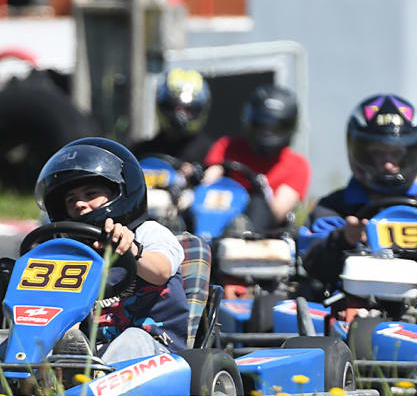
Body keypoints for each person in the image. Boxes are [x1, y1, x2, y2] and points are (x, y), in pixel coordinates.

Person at [34, 137, 190, 364]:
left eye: (90, 194)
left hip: (156, 350)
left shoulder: (148, 233)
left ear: (119, 193)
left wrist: (130, 250)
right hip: (91, 350)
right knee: (39, 337)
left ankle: (91, 379)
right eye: (71, 199)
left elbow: (161, 271)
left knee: (133, 338)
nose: (79, 204)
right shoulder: (69, 251)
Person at [303, 93, 417, 290]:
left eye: (396, 153)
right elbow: (311, 262)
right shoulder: (333, 207)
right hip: (351, 307)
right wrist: (345, 238)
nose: (388, 164)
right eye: (377, 153)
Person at [203, 84, 311, 231]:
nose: (267, 131)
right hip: (216, 216)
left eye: (274, 127)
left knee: (258, 204)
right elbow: (206, 184)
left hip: (260, 235)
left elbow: (277, 211)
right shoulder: (226, 147)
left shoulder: (297, 165)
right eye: (262, 125)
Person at [131, 68, 213, 179]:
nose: (180, 117)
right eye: (174, 107)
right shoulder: (141, 153)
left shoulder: (211, 156)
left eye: (188, 110)